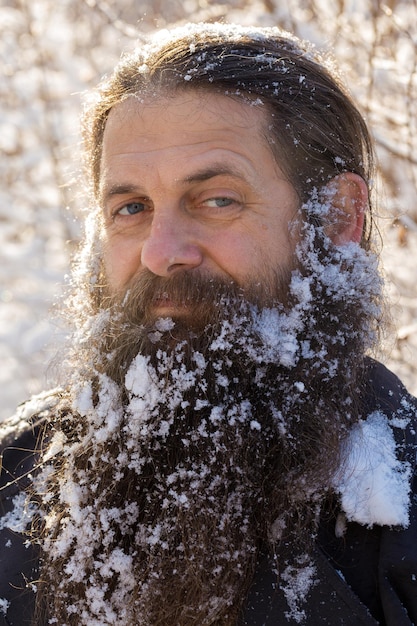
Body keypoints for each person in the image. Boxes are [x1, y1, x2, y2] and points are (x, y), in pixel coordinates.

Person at [0, 22, 416, 626]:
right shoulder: (14, 482)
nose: (162, 252)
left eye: (217, 199)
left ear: (336, 217)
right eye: (132, 209)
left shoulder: (400, 513)